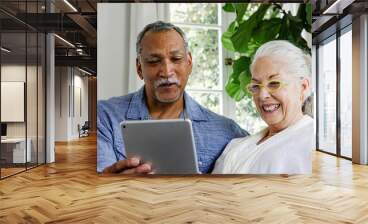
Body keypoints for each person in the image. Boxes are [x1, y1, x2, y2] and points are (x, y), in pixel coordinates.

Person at [97, 21, 248, 174]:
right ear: (139, 68)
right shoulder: (104, 116)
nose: (167, 71)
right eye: (154, 61)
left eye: (176, 59)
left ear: (189, 63)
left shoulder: (228, 132)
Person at [213, 40, 314, 174]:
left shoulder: (312, 144)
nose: (262, 95)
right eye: (256, 86)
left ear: (303, 87)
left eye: (274, 83)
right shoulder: (236, 146)